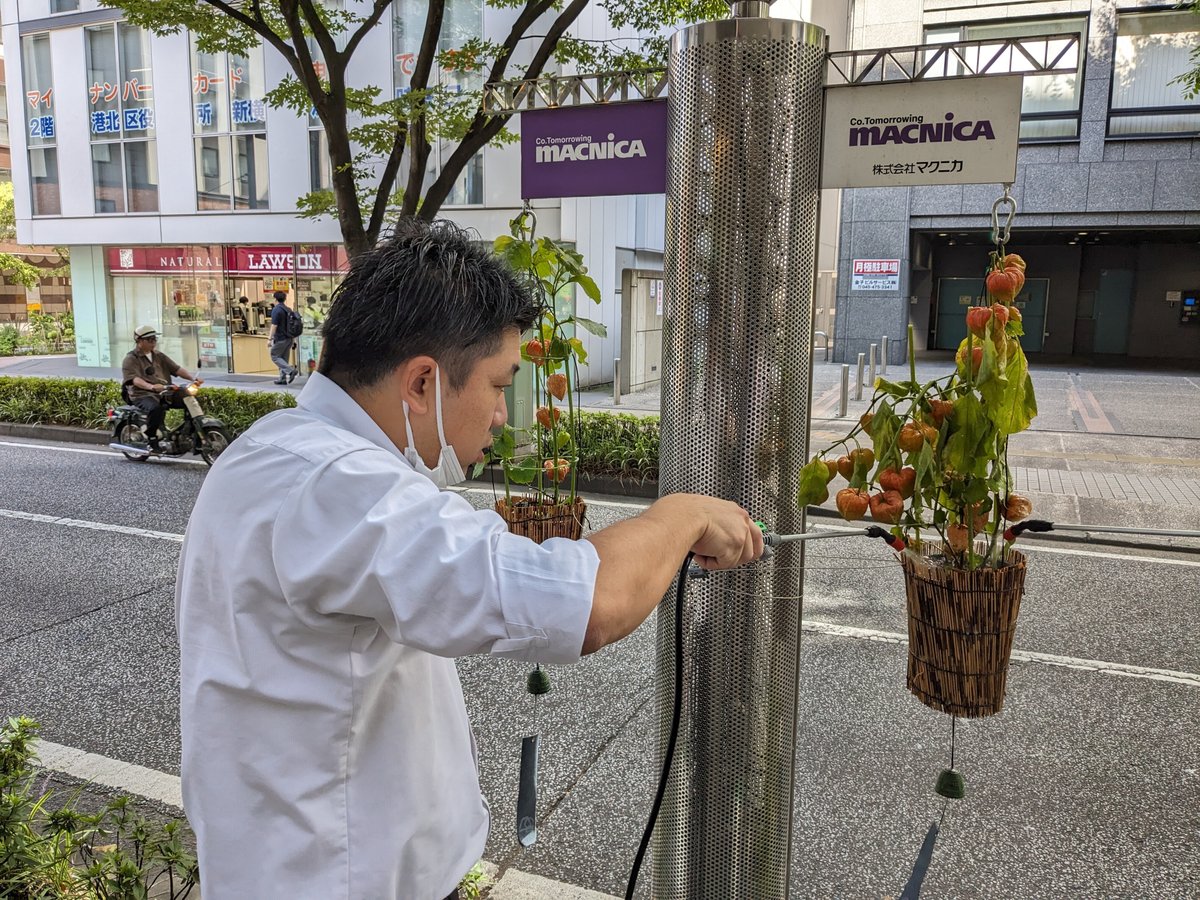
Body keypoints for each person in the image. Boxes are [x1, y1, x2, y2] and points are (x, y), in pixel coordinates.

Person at [175, 219, 762, 900]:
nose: (502, 418)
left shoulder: (277, 449)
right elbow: (583, 602)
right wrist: (682, 514)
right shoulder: (342, 487)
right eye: (497, 384)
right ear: (423, 383)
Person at [120, 325, 203, 452]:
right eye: (149, 339)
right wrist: (151, 387)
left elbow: (177, 369)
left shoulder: (159, 356)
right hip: (142, 395)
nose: (153, 342)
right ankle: (152, 438)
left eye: (154, 339)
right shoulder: (130, 359)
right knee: (156, 408)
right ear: (139, 341)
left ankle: (190, 432)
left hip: (164, 392)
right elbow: (135, 380)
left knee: (189, 397)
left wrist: (193, 379)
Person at [266, 290, 298, 384]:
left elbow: (274, 325)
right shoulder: (288, 309)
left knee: (274, 356)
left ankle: (291, 370)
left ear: (275, 298)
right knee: (283, 358)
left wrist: (270, 338)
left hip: (280, 338)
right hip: (289, 338)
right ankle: (282, 379)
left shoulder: (276, 310)